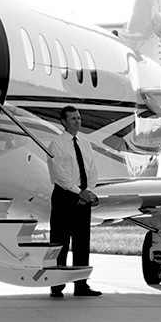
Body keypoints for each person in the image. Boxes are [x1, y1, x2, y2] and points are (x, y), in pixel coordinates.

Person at [47, 105, 101, 298]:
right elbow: (58, 174)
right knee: (60, 242)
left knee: (81, 242)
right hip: (64, 196)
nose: (77, 121)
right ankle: (57, 285)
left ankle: (81, 285)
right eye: (73, 119)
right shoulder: (57, 144)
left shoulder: (85, 143)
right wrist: (79, 192)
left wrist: (88, 192)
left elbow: (92, 169)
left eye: (79, 118)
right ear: (63, 121)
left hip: (83, 196)